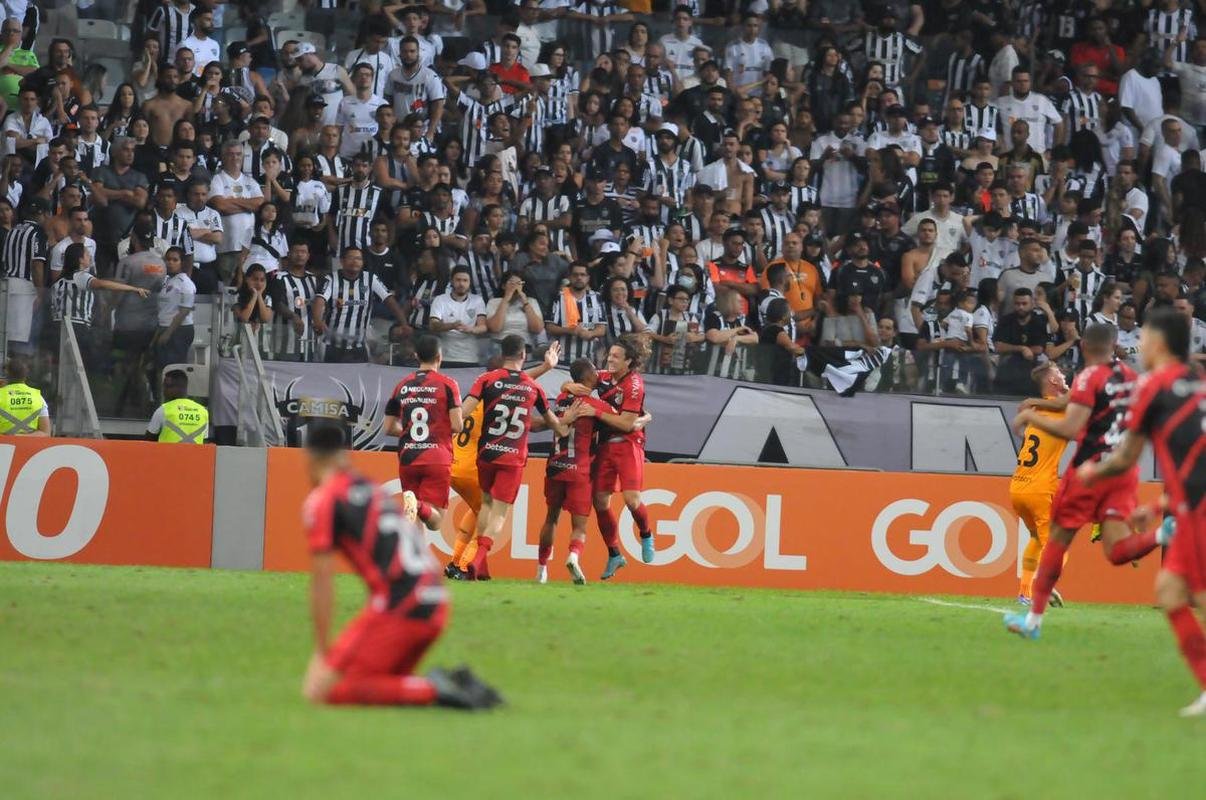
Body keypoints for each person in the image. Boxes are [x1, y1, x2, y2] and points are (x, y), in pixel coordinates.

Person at [299, 421, 500, 710]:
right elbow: (431, 524)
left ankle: (438, 688)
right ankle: (436, 685)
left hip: (402, 603)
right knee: (380, 681)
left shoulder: (324, 499)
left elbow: (322, 581)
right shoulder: (368, 487)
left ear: (311, 458)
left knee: (329, 690)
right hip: (436, 600)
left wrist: (321, 651)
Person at [1076, 309, 1206, 717]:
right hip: (1190, 503)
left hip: (1198, 507)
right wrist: (1160, 505)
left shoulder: (1152, 385)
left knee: (1199, 594)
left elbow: (1126, 456)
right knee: (1171, 591)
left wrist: (1091, 470)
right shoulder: (1200, 381)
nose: (1140, 347)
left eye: (1145, 339)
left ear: (1160, 343)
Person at [1005, 323, 1171, 640]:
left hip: (1088, 472)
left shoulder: (1088, 377)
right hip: (1123, 472)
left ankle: (1033, 620)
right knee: (1118, 551)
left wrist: (1030, 415)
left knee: (1056, 540)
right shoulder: (1134, 380)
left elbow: (1070, 427)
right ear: (1115, 347)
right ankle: (1164, 532)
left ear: (1083, 348)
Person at [444, 343, 562, 579]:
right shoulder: (501, 395)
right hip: (475, 466)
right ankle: (463, 565)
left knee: (480, 511)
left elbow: (518, 380)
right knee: (493, 514)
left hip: (456, 462)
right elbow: (524, 392)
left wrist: (546, 367)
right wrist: (561, 419)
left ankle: (471, 566)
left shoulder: (483, 390)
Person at [572, 335, 654, 579]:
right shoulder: (604, 377)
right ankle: (614, 553)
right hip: (606, 445)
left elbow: (628, 424)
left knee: (631, 499)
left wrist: (596, 411)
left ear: (629, 362)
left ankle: (647, 535)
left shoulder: (634, 384)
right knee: (600, 502)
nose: (610, 359)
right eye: (610, 355)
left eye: (616, 357)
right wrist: (568, 386)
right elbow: (581, 381)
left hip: (629, 444)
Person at [538, 358, 613, 585]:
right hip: (580, 469)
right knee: (579, 526)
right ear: (587, 376)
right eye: (593, 370)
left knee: (551, 518)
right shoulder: (593, 405)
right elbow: (621, 418)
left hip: (555, 465)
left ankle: (541, 571)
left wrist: (565, 387)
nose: (597, 374)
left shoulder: (561, 399)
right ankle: (573, 556)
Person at [384, 335, 463, 533]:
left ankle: (413, 562)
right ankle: (418, 505)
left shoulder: (401, 386)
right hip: (437, 457)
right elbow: (457, 425)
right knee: (434, 522)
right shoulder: (448, 384)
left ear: (416, 356)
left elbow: (388, 427)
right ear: (440, 356)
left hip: (408, 457)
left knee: (413, 521)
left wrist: (410, 432)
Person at [1010, 363, 1072, 605]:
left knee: (1036, 539)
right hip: (1040, 489)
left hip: (1017, 487)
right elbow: (1072, 401)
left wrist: (1032, 402)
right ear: (1053, 382)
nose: (1065, 376)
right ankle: (1042, 588)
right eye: (1060, 373)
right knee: (1058, 545)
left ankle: (1024, 592)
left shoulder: (1036, 410)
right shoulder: (1063, 409)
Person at [146, 369, 208, 444]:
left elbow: (148, 441)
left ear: (180, 387)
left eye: (167, 386)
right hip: (195, 456)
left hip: (168, 455)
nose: (164, 390)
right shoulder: (203, 411)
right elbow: (204, 441)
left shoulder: (163, 410)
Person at [0, 358, 49, 436]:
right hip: (30, 447)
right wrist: (23, 437)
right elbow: (45, 433)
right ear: (25, 376)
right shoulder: (38, 397)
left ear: (5, 376)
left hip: (4, 446)